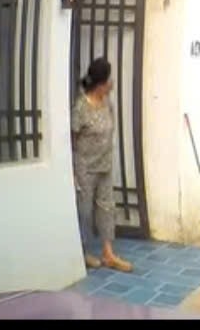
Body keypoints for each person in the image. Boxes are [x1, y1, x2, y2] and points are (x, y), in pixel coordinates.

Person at [72, 57, 132, 273]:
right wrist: (73, 172)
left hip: (105, 165)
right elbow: (72, 137)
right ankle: (83, 251)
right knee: (85, 211)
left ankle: (108, 253)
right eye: (109, 79)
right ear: (101, 83)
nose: (112, 82)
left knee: (107, 208)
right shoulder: (81, 107)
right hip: (85, 168)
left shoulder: (108, 103)